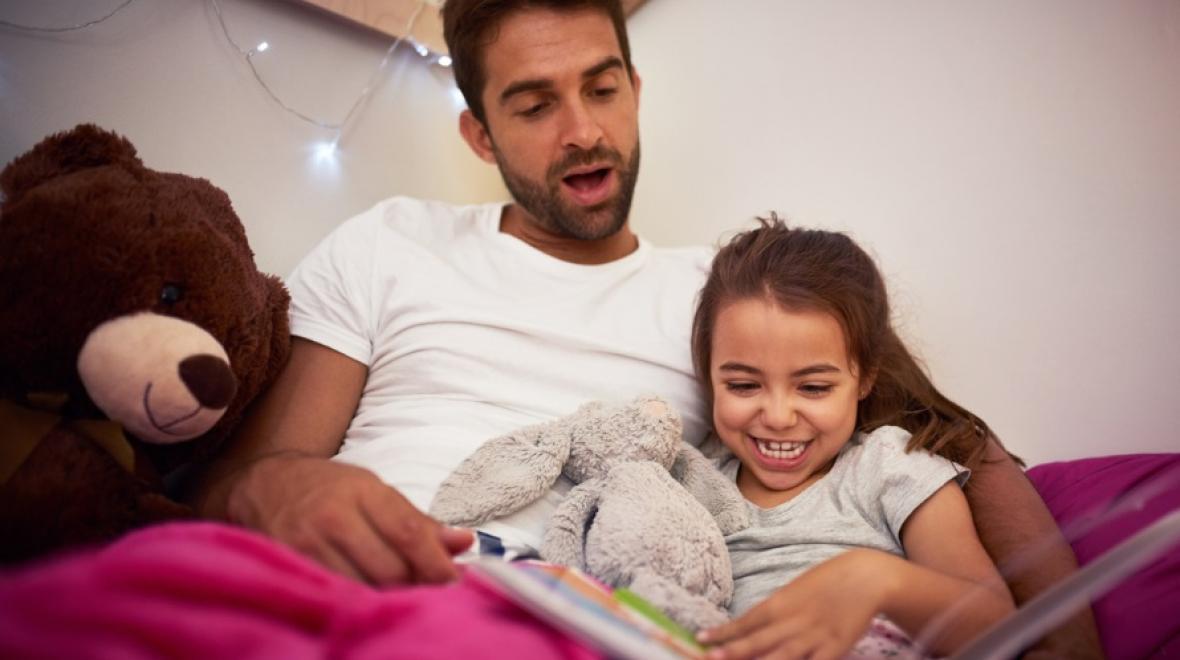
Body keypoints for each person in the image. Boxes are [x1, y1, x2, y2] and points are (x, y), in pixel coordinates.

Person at [191, 1, 1100, 656]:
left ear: (636, 87)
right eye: (536, 104)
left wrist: (1066, 637)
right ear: (479, 134)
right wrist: (278, 490)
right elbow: (248, 479)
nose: (584, 131)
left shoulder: (729, 300)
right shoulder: (390, 242)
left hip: (571, 619)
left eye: (602, 87)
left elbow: (958, 443)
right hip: (342, 590)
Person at [690, 217, 1018, 658]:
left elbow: (997, 625)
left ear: (864, 379)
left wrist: (877, 580)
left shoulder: (890, 468)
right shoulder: (694, 484)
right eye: (744, 386)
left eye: (814, 388)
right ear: (709, 377)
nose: (779, 417)